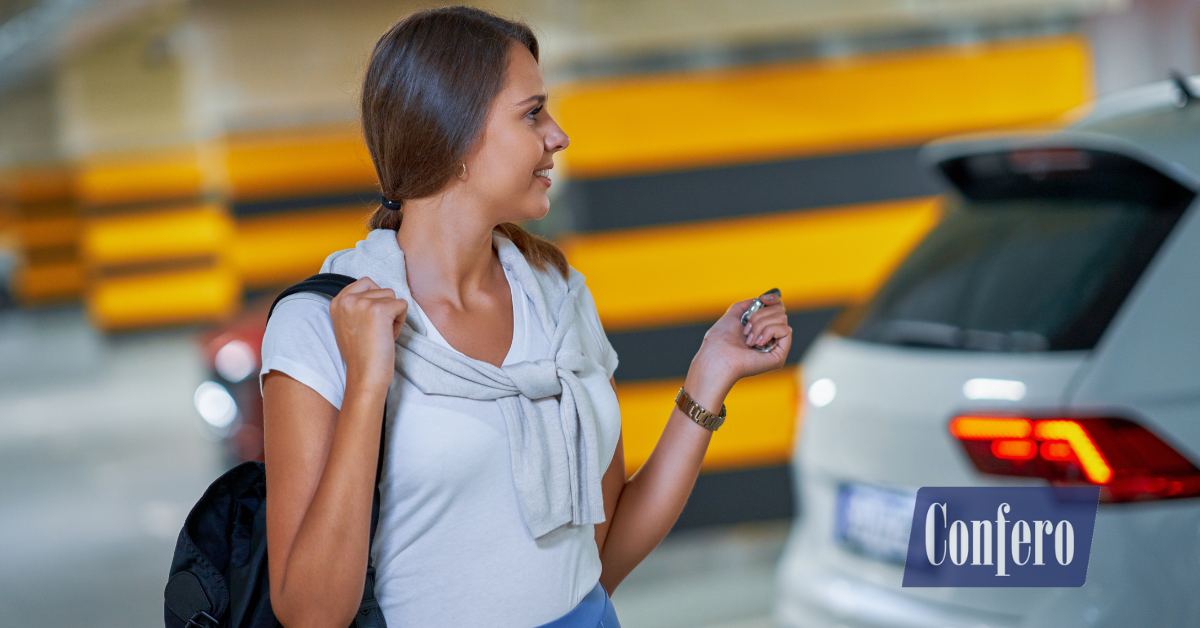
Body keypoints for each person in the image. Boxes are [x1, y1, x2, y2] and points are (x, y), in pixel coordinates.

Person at [259, 6, 793, 628]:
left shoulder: (560, 297)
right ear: (452, 133)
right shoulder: (319, 324)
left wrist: (709, 376)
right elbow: (311, 615)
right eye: (532, 113)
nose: (558, 134)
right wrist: (368, 385)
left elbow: (599, 558)